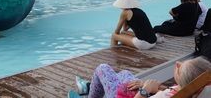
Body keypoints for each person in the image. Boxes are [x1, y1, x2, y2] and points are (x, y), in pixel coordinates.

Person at [68, 57, 211, 98]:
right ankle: (90, 87)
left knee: (102, 68)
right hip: (141, 91)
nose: (178, 66)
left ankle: (89, 94)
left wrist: (145, 91)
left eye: (180, 71)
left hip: (132, 96)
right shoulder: (199, 89)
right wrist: (157, 87)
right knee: (125, 73)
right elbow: (179, 91)